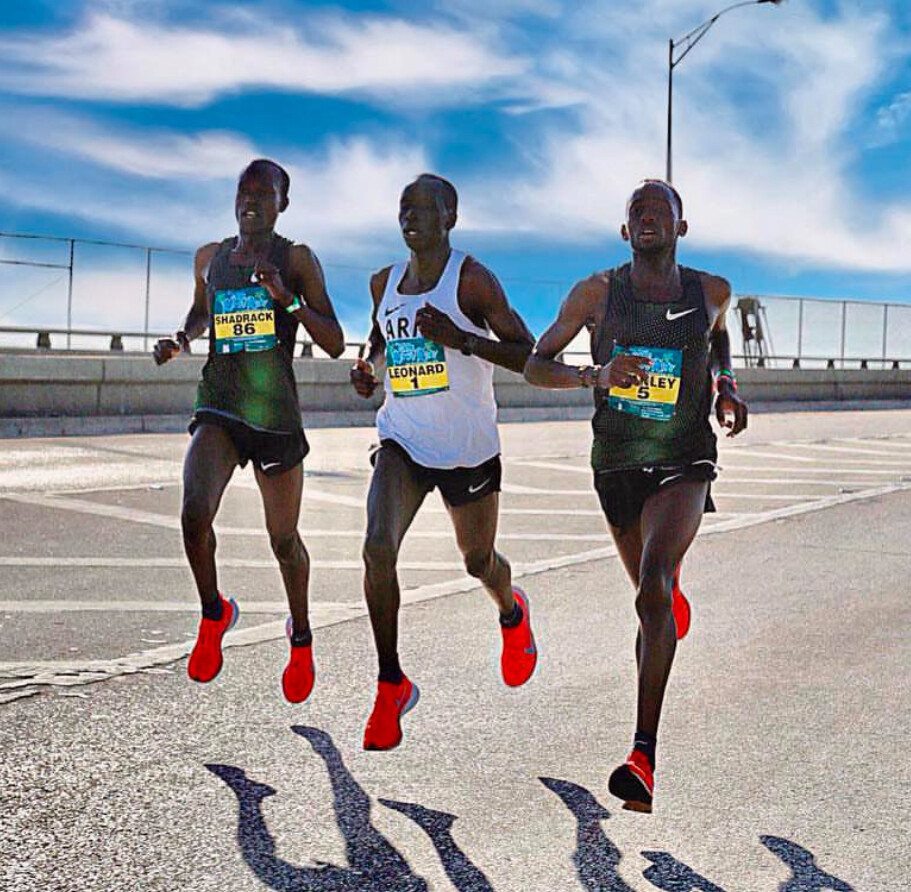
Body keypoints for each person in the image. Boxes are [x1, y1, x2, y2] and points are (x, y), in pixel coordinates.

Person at [524, 180, 748, 812]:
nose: (648, 218)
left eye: (660, 211)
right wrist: (595, 374)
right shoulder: (596, 293)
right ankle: (668, 603)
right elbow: (536, 365)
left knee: (652, 584)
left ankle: (642, 756)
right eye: (636, 212)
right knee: (653, 599)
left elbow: (717, 337)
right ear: (625, 231)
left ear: (681, 226)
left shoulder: (711, 291)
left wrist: (726, 386)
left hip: (684, 457)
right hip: (618, 463)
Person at [350, 173, 538, 751]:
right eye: (403, 207)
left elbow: (527, 354)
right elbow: (379, 340)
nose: (410, 216)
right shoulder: (384, 282)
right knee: (377, 547)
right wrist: (369, 368)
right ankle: (390, 684)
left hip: (467, 449)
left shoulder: (472, 279)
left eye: (423, 208)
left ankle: (511, 612)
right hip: (403, 439)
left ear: (449, 217)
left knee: (478, 561)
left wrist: (463, 338)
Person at [153, 158, 345, 704]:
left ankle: (301, 637)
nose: (251, 201)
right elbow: (201, 311)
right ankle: (213, 613)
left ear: (284, 203)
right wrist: (181, 339)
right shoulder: (210, 258)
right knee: (194, 514)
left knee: (283, 541)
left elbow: (335, 341)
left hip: (275, 414)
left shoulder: (296, 258)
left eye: (265, 192)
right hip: (220, 402)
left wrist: (290, 300)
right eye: (244, 190)